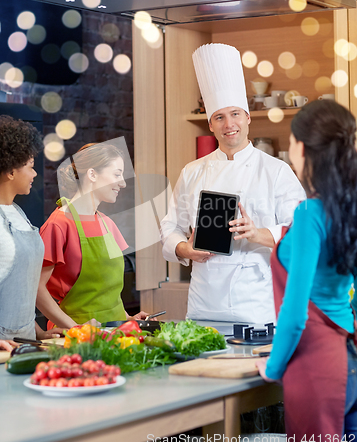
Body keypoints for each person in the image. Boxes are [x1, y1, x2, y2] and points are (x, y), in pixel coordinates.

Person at [160, 43, 305, 324]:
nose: (229, 124)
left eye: (236, 114)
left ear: (248, 118)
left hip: (257, 304)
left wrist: (257, 233)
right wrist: (184, 249)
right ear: (210, 124)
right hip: (204, 303)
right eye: (219, 117)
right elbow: (170, 226)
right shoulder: (192, 172)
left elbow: (300, 232)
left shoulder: (276, 171)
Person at [257, 99, 357, 441]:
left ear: (302, 148)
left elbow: (296, 311)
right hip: (350, 360)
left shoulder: (309, 214)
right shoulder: (349, 209)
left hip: (316, 367)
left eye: (291, 142)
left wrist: (272, 368)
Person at [37, 142, 149, 329]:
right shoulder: (59, 224)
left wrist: (129, 319)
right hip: (76, 339)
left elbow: (105, 291)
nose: (122, 182)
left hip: (117, 332)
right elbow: (37, 290)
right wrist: (75, 329)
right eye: (117, 174)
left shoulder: (107, 223)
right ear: (92, 174)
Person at [0, 115, 64, 343]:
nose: (35, 174)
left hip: (26, 342)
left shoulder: (17, 213)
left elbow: (20, 293)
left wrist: (39, 333)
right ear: (10, 171)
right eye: (30, 166)